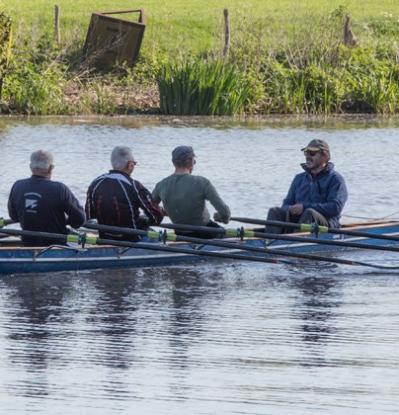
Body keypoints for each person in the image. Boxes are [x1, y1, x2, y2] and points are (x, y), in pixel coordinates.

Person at [266, 139, 348, 234]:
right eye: (306, 153)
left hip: (326, 226)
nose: (308, 156)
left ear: (325, 156)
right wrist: (291, 209)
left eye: (312, 153)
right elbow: (285, 204)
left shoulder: (336, 179)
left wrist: (304, 207)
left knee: (310, 213)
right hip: (298, 224)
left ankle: (294, 244)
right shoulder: (299, 178)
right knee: (274, 211)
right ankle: (269, 242)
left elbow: (335, 208)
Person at [8, 150, 85, 246]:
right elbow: (80, 219)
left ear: (30, 167)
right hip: (56, 246)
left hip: (28, 243)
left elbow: (14, 217)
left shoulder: (17, 186)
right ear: (51, 168)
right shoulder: (60, 189)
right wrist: (65, 222)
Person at [85, 146, 163, 241]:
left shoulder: (95, 183)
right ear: (130, 165)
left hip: (105, 238)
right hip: (132, 239)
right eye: (134, 163)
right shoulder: (134, 185)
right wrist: (144, 220)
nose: (134, 165)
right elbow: (156, 217)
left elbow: (89, 217)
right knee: (157, 235)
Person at [152, 145, 231, 239]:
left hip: (180, 235)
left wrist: (165, 211)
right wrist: (221, 217)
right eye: (194, 160)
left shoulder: (161, 185)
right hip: (206, 233)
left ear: (173, 163)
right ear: (190, 161)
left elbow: (150, 209)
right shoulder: (202, 182)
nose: (195, 162)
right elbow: (225, 213)